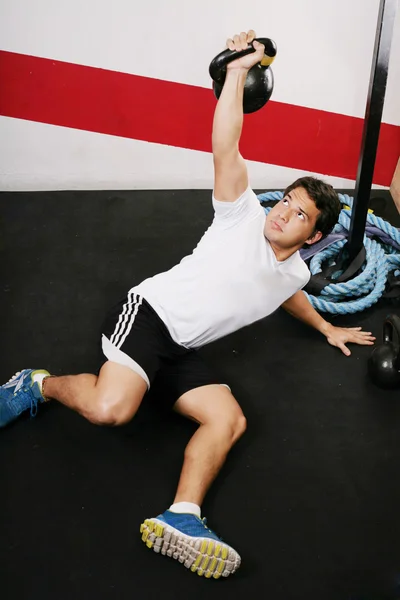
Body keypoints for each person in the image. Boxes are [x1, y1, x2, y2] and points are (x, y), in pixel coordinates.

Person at [0, 30, 375, 580]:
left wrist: (325, 328)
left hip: (179, 347)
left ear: (314, 237)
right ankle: (35, 384)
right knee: (112, 410)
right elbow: (227, 143)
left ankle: (183, 516)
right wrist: (237, 74)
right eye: (287, 201)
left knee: (229, 418)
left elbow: (286, 292)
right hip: (147, 317)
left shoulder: (294, 268)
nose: (283, 213)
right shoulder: (241, 215)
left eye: (298, 215)